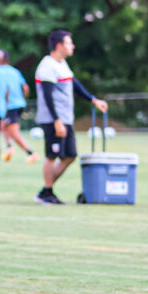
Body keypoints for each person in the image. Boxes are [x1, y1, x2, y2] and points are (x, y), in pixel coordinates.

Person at [34, 30, 108, 204]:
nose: (72, 46)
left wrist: (93, 99)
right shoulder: (47, 66)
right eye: (69, 43)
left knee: (70, 155)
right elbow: (47, 96)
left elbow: (74, 84)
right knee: (52, 155)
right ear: (59, 45)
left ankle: (46, 190)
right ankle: (47, 192)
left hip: (65, 118)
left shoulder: (62, 64)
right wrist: (56, 121)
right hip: (53, 119)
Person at [0, 50, 39, 164]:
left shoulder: (1, 72)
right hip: (19, 103)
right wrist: (23, 99)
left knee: (14, 131)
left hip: (10, 105)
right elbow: (25, 88)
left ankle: (31, 153)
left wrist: (5, 103)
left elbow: (5, 90)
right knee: (4, 125)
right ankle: (9, 147)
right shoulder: (15, 71)